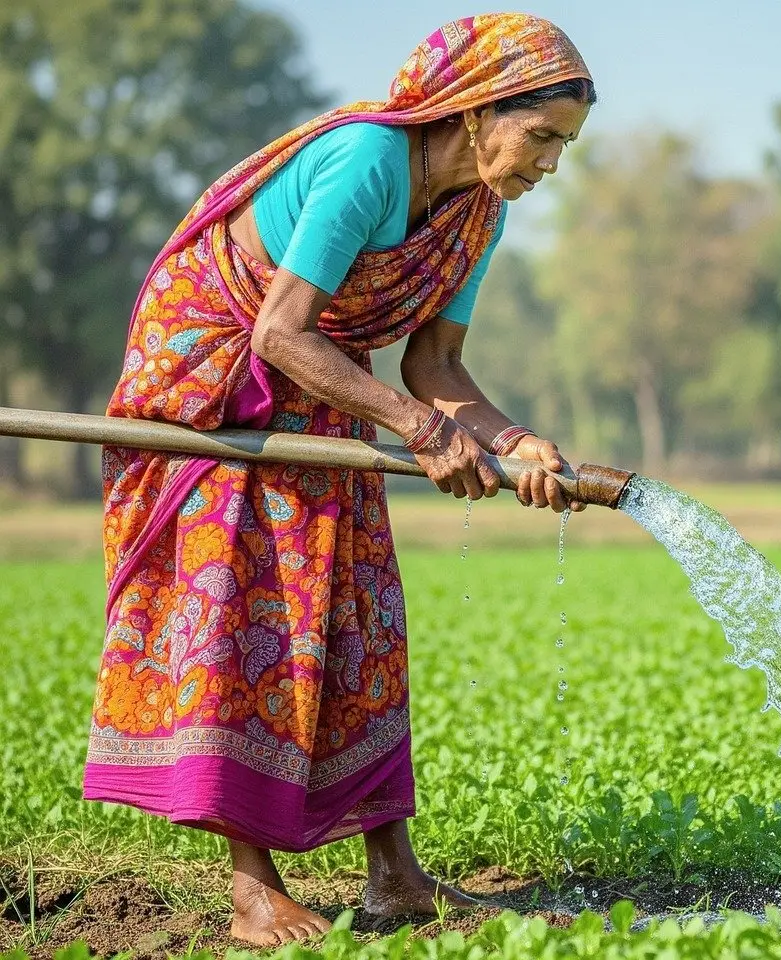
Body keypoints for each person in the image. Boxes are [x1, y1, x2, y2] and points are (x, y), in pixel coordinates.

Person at [85, 14, 594, 946]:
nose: (551, 163)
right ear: (479, 111)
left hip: (325, 375)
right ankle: (252, 890)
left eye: (565, 145)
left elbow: (434, 368)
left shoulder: (483, 209)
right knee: (245, 604)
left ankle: (396, 878)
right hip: (216, 373)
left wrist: (516, 441)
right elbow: (277, 333)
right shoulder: (365, 159)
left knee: (356, 607)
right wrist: (415, 430)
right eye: (544, 136)